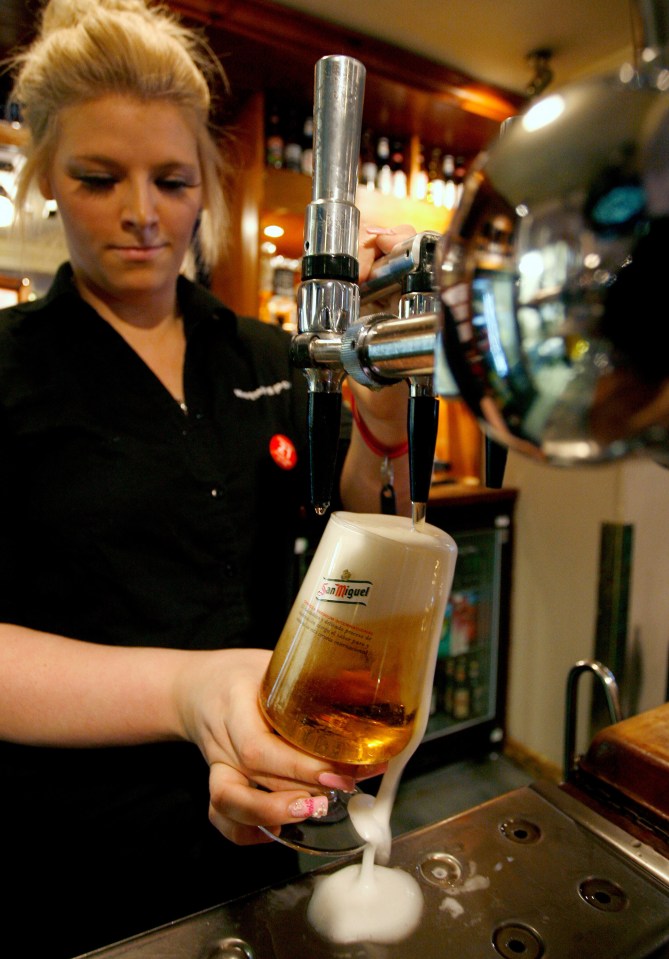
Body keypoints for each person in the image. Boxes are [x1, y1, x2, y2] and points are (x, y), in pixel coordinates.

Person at [0, 1, 415, 955]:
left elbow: (366, 520)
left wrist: (381, 415)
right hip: (76, 848)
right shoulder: (9, 371)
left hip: (256, 820)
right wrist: (189, 692)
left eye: (171, 179)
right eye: (98, 179)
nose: (141, 213)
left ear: (205, 189)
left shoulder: (266, 352)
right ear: (49, 184)